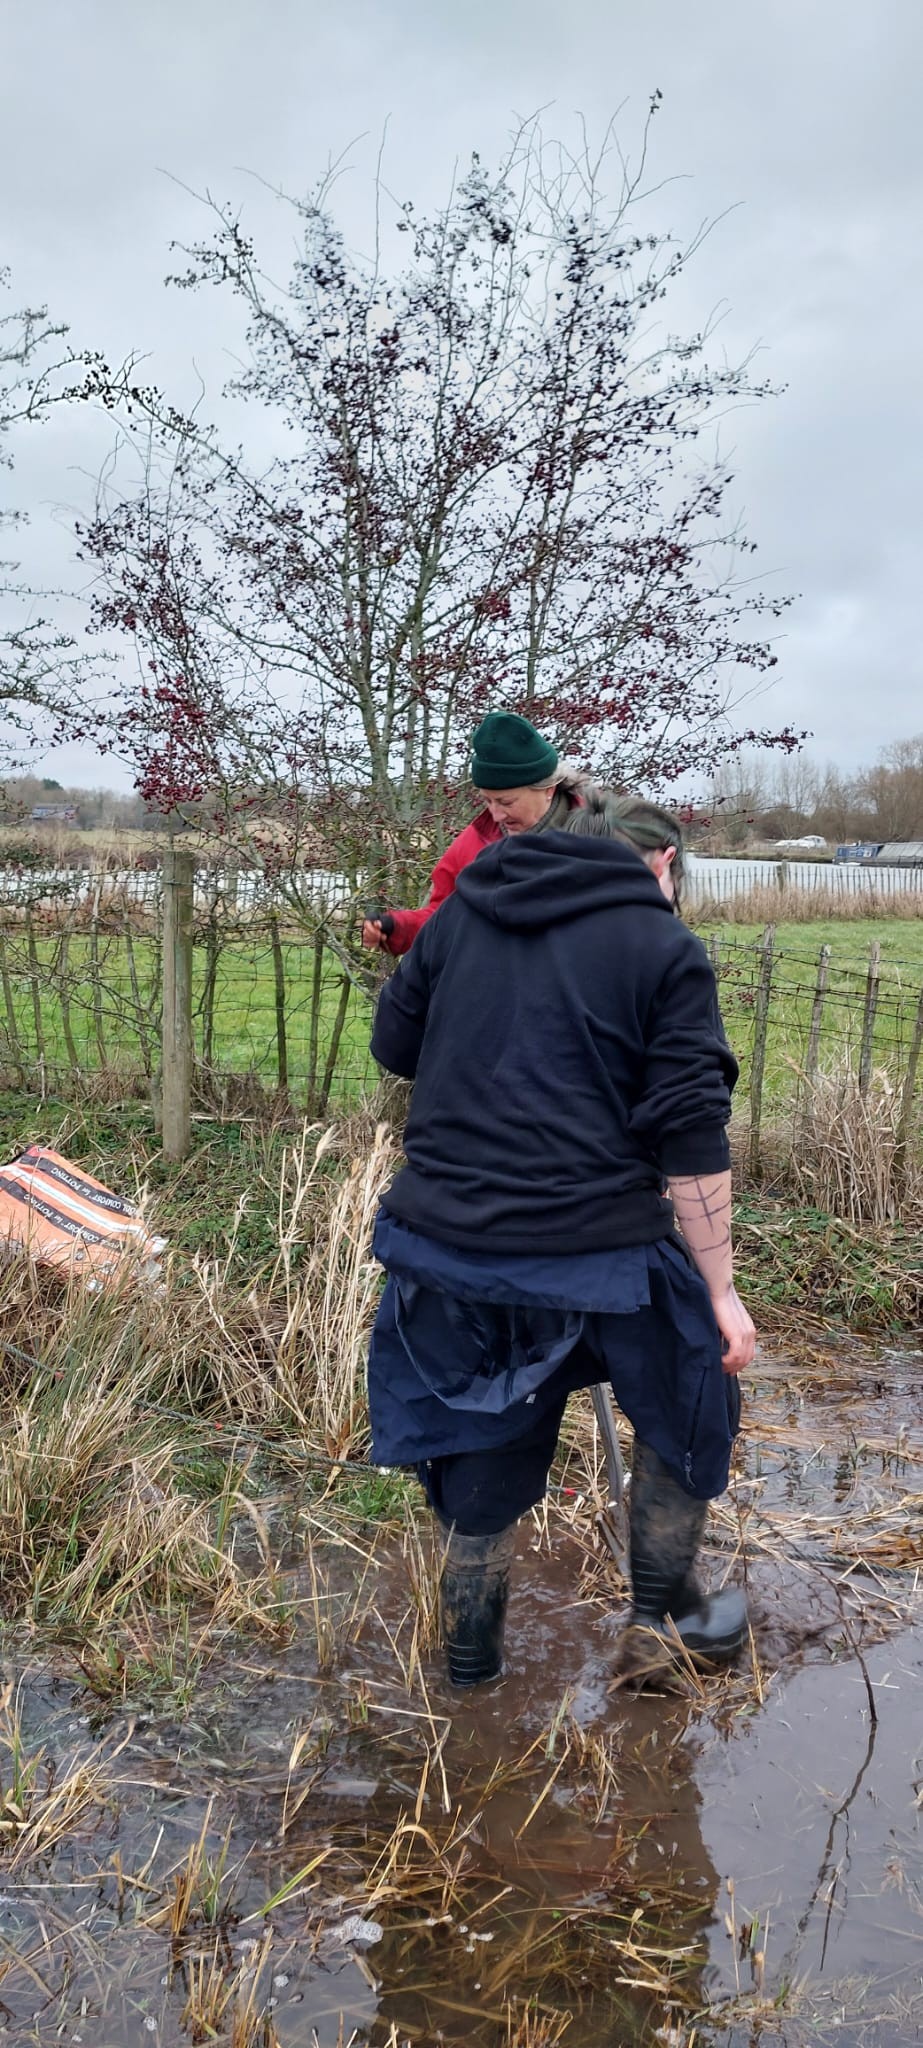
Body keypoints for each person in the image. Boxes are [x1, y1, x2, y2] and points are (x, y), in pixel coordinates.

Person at [366, 789, 756, 1689]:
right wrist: (722, 1294)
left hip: (447, 1242)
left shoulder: (460, 918)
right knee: (691, 1391)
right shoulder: (663, 946)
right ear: (660, 864)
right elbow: (691, 1131)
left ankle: (469, 1668)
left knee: (477, 1436)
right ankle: (667, 1625)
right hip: (602, 1246)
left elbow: (395, 1047)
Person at [360, 709, 590, 955]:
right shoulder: (475, 841)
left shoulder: (603, 840)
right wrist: (397, 928)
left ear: (548, 789)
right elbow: (444, 918)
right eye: (487, 801)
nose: (496, 815)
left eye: (506, 802)